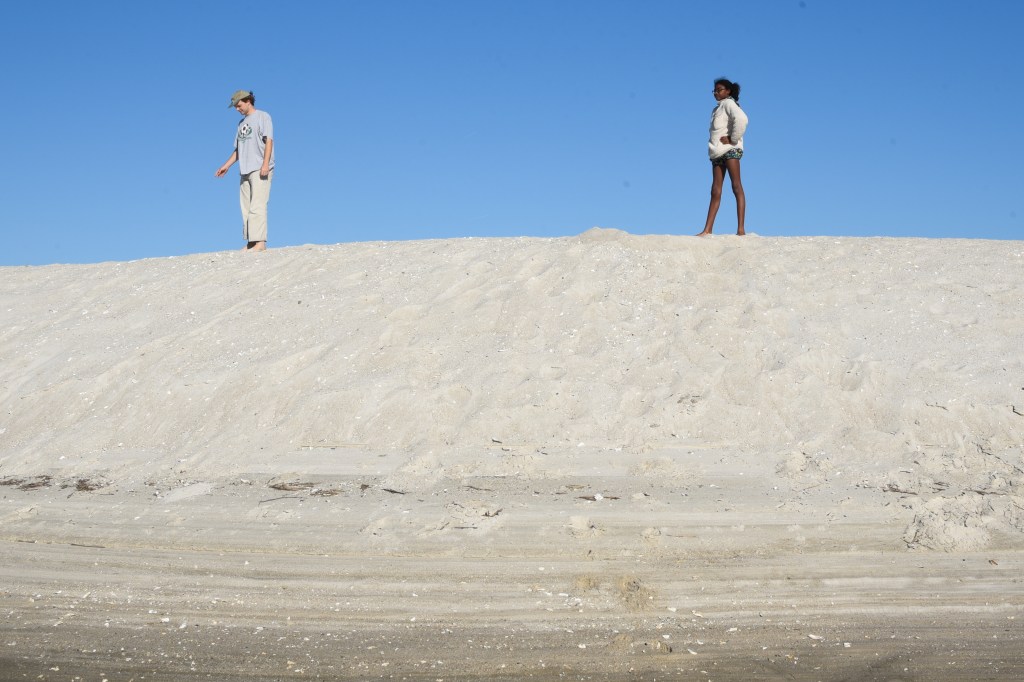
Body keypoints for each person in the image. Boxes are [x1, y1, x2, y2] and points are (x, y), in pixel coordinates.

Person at [215, 90, 275, 252]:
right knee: (246, 208)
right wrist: (226, 165)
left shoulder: (263, 116)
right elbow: (238, 150)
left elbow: (269, 141)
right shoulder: (241, 123)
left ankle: (260, 243)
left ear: (248, 101)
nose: (237, 109)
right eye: (235, 106)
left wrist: (265, 164)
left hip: (260, 168)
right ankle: (251, 242)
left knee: (258, 205)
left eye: (239, 105)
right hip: (245, 170)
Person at [697, 78, 748, 236]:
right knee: (715, 190)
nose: (716, 93)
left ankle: (741, 230)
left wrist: (733, 138)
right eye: (714, 90)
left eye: (719, 90)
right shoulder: (716, 109)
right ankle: (707, 230)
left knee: (736, 186)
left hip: (730, 150)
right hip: (717, 152)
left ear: (728, 91)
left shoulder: (729, 104)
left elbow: (742, 119)